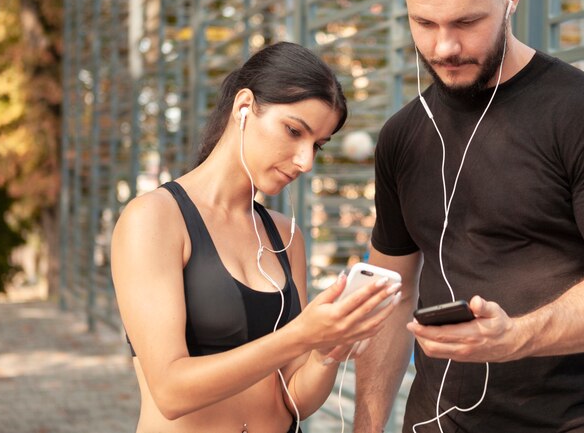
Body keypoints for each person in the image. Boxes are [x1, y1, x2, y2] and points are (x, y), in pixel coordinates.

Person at [353, 0, 584, 433]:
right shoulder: (401, 136)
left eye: (466, 22)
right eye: (424, 23)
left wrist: (513, 338)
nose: (444, 48)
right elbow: (392, 294)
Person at [111, 42, 402, 433]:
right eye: (294, 131)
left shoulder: (285, 236)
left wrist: (328, 352)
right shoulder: (154, 219)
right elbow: (170, 391)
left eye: (317, 144)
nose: (305, 161)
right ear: (244, 106)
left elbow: (293, 400)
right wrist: (300, 334)